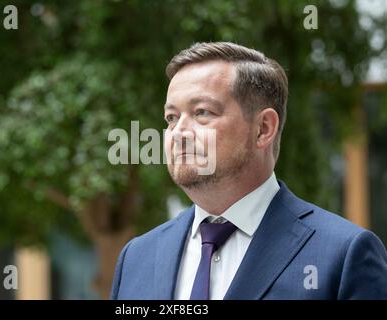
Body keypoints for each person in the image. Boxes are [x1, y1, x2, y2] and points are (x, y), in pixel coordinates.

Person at [110, 42, 387, 299]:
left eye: (202, 112)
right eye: (172, 117)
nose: (179, 132)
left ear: (263, 129)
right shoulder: (136, 258)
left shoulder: (343, 255)